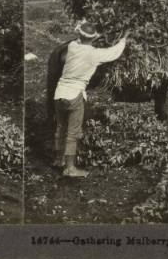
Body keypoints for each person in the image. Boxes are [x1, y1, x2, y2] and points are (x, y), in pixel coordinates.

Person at [52, 21, 127, 177]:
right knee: (73, 133)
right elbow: (115, 52)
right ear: (93, 39)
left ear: (79, 35)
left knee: (60, 127)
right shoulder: (95, 54)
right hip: (75, 95)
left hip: (59, 94)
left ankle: (58, 160)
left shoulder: (72, 46)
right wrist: (124, 39)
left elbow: (80, 40)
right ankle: (70, 168)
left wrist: (85, 36)